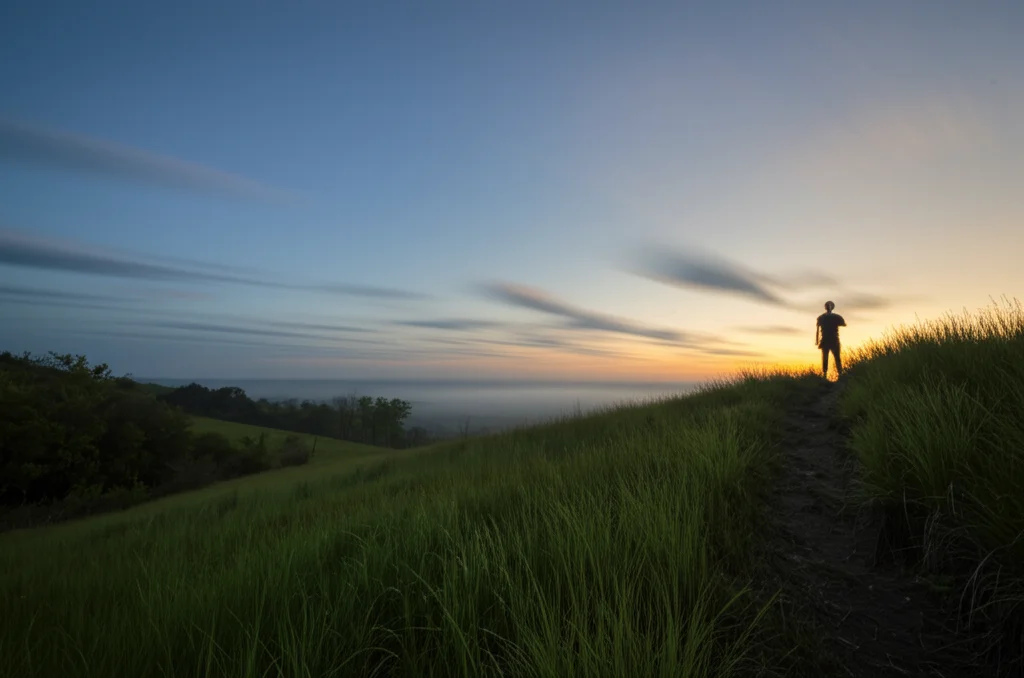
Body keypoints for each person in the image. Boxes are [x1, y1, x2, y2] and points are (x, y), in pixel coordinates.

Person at [815, 301, 846, 379]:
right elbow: (817, 330)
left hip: (830, 339)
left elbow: (817, 330)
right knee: (830, 358)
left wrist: (817, 340)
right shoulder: (835, 317)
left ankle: (837, 374)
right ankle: (828, 375)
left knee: (833, 358)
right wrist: (817, 340)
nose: (828, 307)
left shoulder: (823, 317)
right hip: (829, 340)